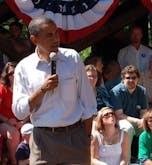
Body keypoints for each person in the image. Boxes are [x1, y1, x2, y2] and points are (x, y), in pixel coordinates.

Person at [12, 16, 97, 164]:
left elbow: (88, 102)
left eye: (56, 33)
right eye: (49, 35)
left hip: (75, 138)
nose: (56, 39)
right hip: (42, 141)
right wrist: (41, 90)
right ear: (34, 40)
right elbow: (19, 112)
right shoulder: (24, 67)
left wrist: (86, 137)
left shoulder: (73, 58)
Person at [110, 65, 148, 160]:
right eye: (128, 78)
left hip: (137, 121)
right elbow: (119, 115)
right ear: (122, 79)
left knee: (151, 126)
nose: (131, 80)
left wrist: (143, 120)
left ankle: (145, 157)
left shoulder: (142, 90)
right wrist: (138, 121)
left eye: (134, 78)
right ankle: (126, 159)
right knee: (128, 128)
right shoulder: (116, 91)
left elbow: (144, 111)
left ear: (138, 79)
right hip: (120, 121)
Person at [0, 62, 23, 164]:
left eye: (16, 72)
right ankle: (15, 163)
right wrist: (8, 120)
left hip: (22, 121)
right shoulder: (2, 89)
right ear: (7, 76)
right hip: (5, 123)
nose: (13, 75)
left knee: (31, 131)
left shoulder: (24, 88)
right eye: (10, 73)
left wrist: (22, 122)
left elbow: (31, 109)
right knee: (13, 133)